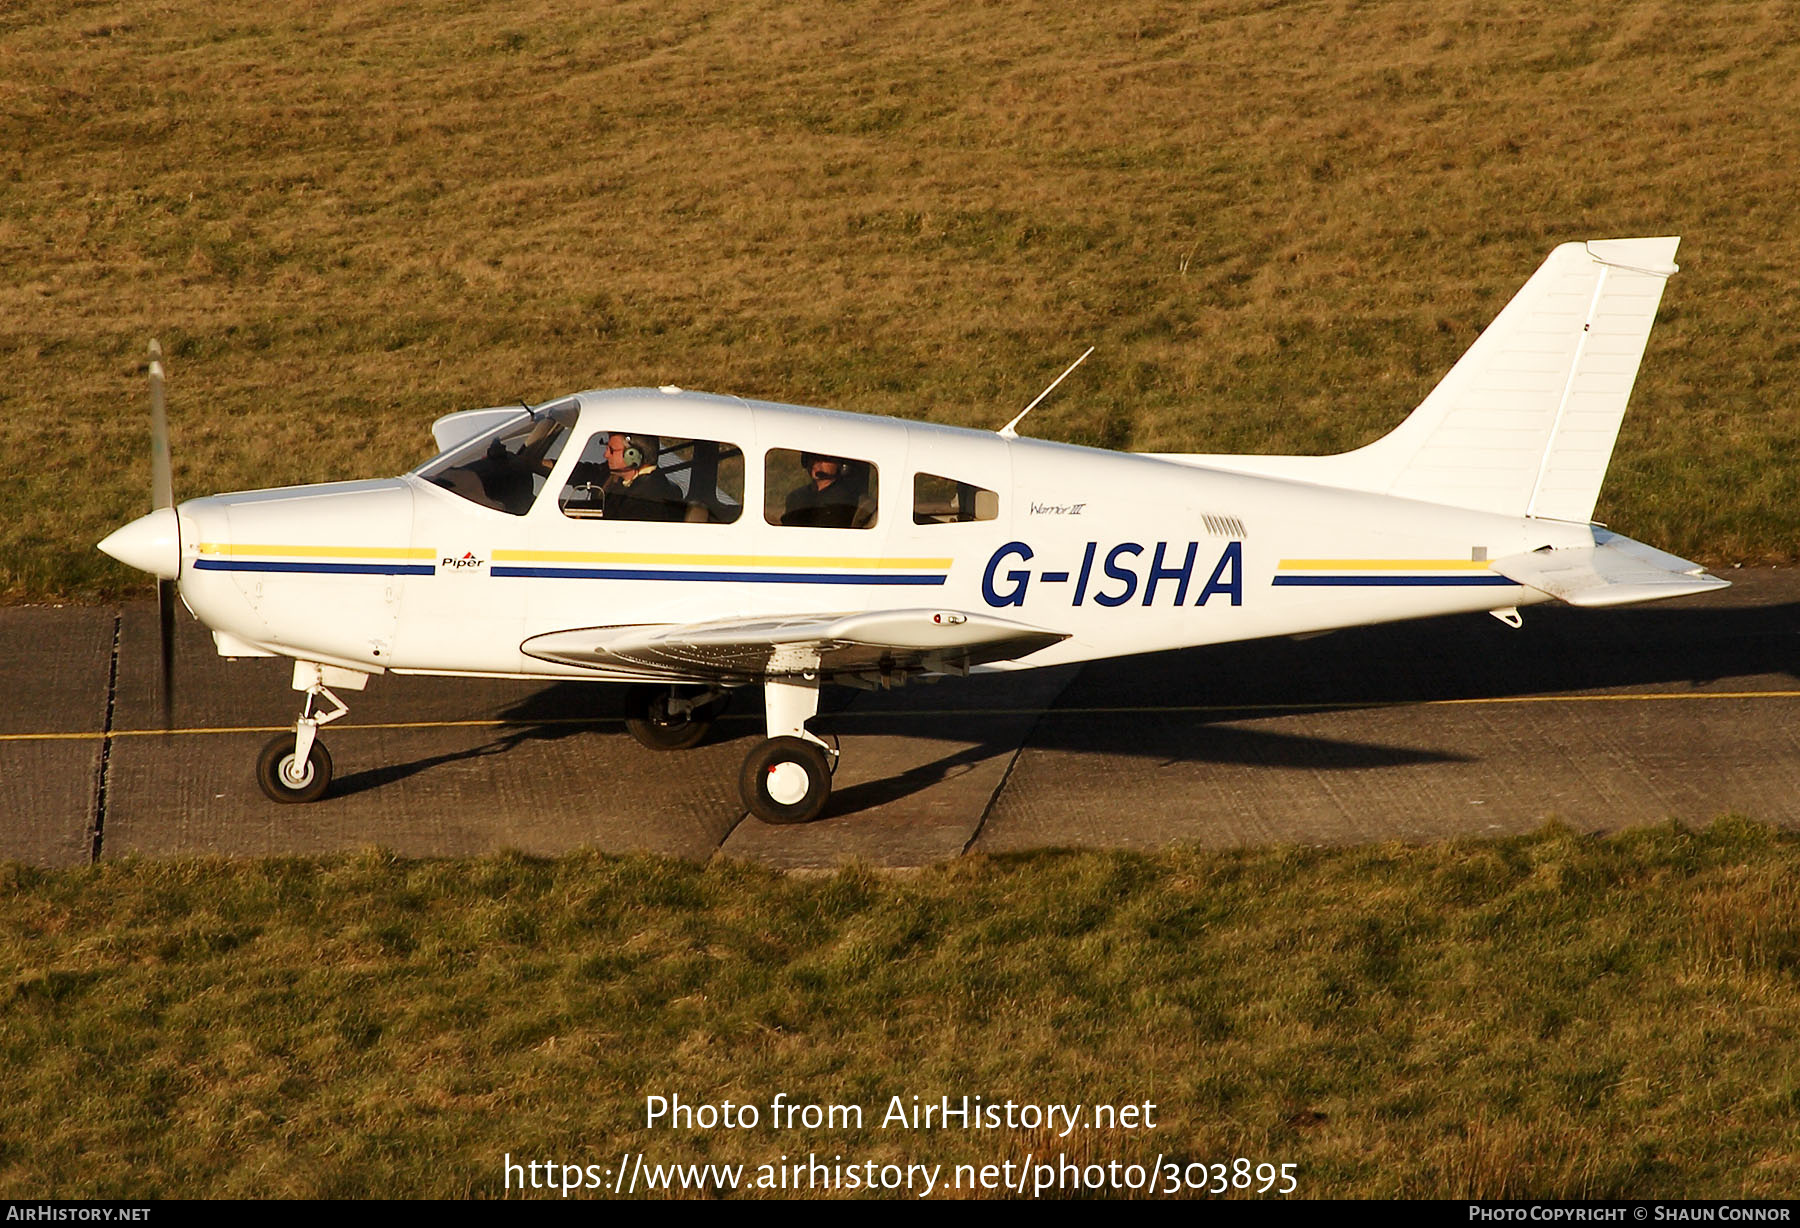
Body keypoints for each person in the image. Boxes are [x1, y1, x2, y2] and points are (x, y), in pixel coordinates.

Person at [781, 452, 874, 528]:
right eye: (812, 457)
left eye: (825, 458)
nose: (816, 462)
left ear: (841, 465)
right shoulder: (796, 496)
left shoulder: (845, 498)